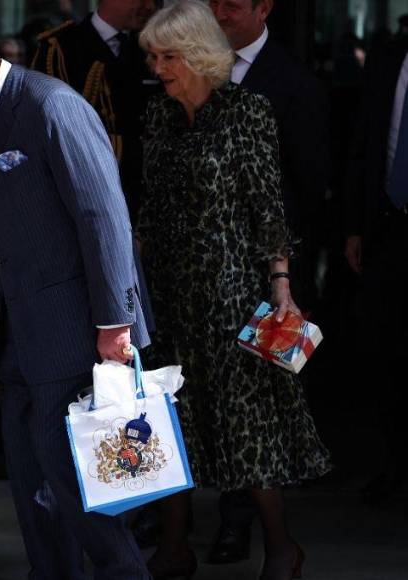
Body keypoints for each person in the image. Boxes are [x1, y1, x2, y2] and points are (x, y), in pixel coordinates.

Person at [0, 27, 151, 580]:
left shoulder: (50, 107)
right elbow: (13, 232)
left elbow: (105, 218)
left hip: (76, 335)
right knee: (35, 488)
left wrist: (116, 323)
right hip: (24, 345)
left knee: (81, 487)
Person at [137, 3, 331, 579]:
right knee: (171, 421)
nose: (158, 68)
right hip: (168, 294)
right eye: (153, 56)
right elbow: (148, 206)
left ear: (199, 56)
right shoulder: (158, 116)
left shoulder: (248, 112)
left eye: (169, 56)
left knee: (248, 426)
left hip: (232, 295)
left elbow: (268, 206)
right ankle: (174, 547)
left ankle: (281, 546)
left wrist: (281, 284)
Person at [204, 0, 332, 564]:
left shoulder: (293, 82)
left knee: (257, 396)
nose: (220, 12)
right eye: (213, 2)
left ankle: (242, 521)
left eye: (233, 3)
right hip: (209, 267)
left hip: (271, 265)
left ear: (264, 8)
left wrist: (287, 270)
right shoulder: (196, 68)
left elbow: (308, 182)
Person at [344, 28, 408, 506]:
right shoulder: (389, 57)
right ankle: (395, 463)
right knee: (386, 349)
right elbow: (364, 142)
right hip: (389, 225)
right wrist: (355, 226)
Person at [30, 0, 157, 218]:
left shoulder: (153, 46)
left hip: (146, 197)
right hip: (87, 193)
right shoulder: (61, 47)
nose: (150, 6)